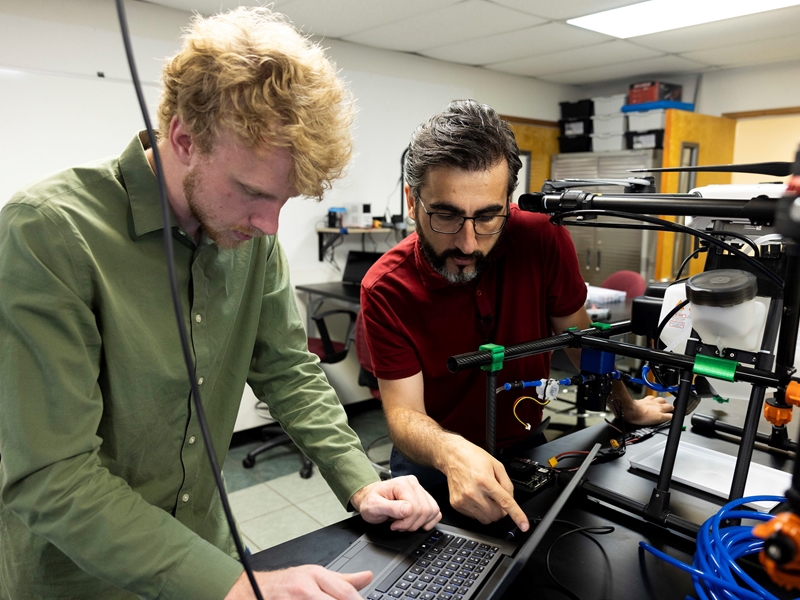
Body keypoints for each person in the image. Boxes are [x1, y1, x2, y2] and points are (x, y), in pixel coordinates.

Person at [0, 8, 441, 600]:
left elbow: (287, 369)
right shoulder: (47, 234)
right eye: (255, 193)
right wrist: (232, 584)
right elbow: (51, 474)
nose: (268, 224)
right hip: (79, 579)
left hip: (211, 552)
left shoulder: (249, 238)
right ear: (183, 137)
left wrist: (363, 483)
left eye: (284, 200)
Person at [360, 99, 673, 534]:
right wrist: (454, 456)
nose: (468, 244)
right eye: (446, 215)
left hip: (525, 442)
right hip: (433, 459)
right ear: (413, 202)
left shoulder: (542, 238)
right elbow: (403, 414)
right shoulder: (387, 287)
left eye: (488, 216)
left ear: (509, 202)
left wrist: (627, 408)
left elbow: (580, 340)